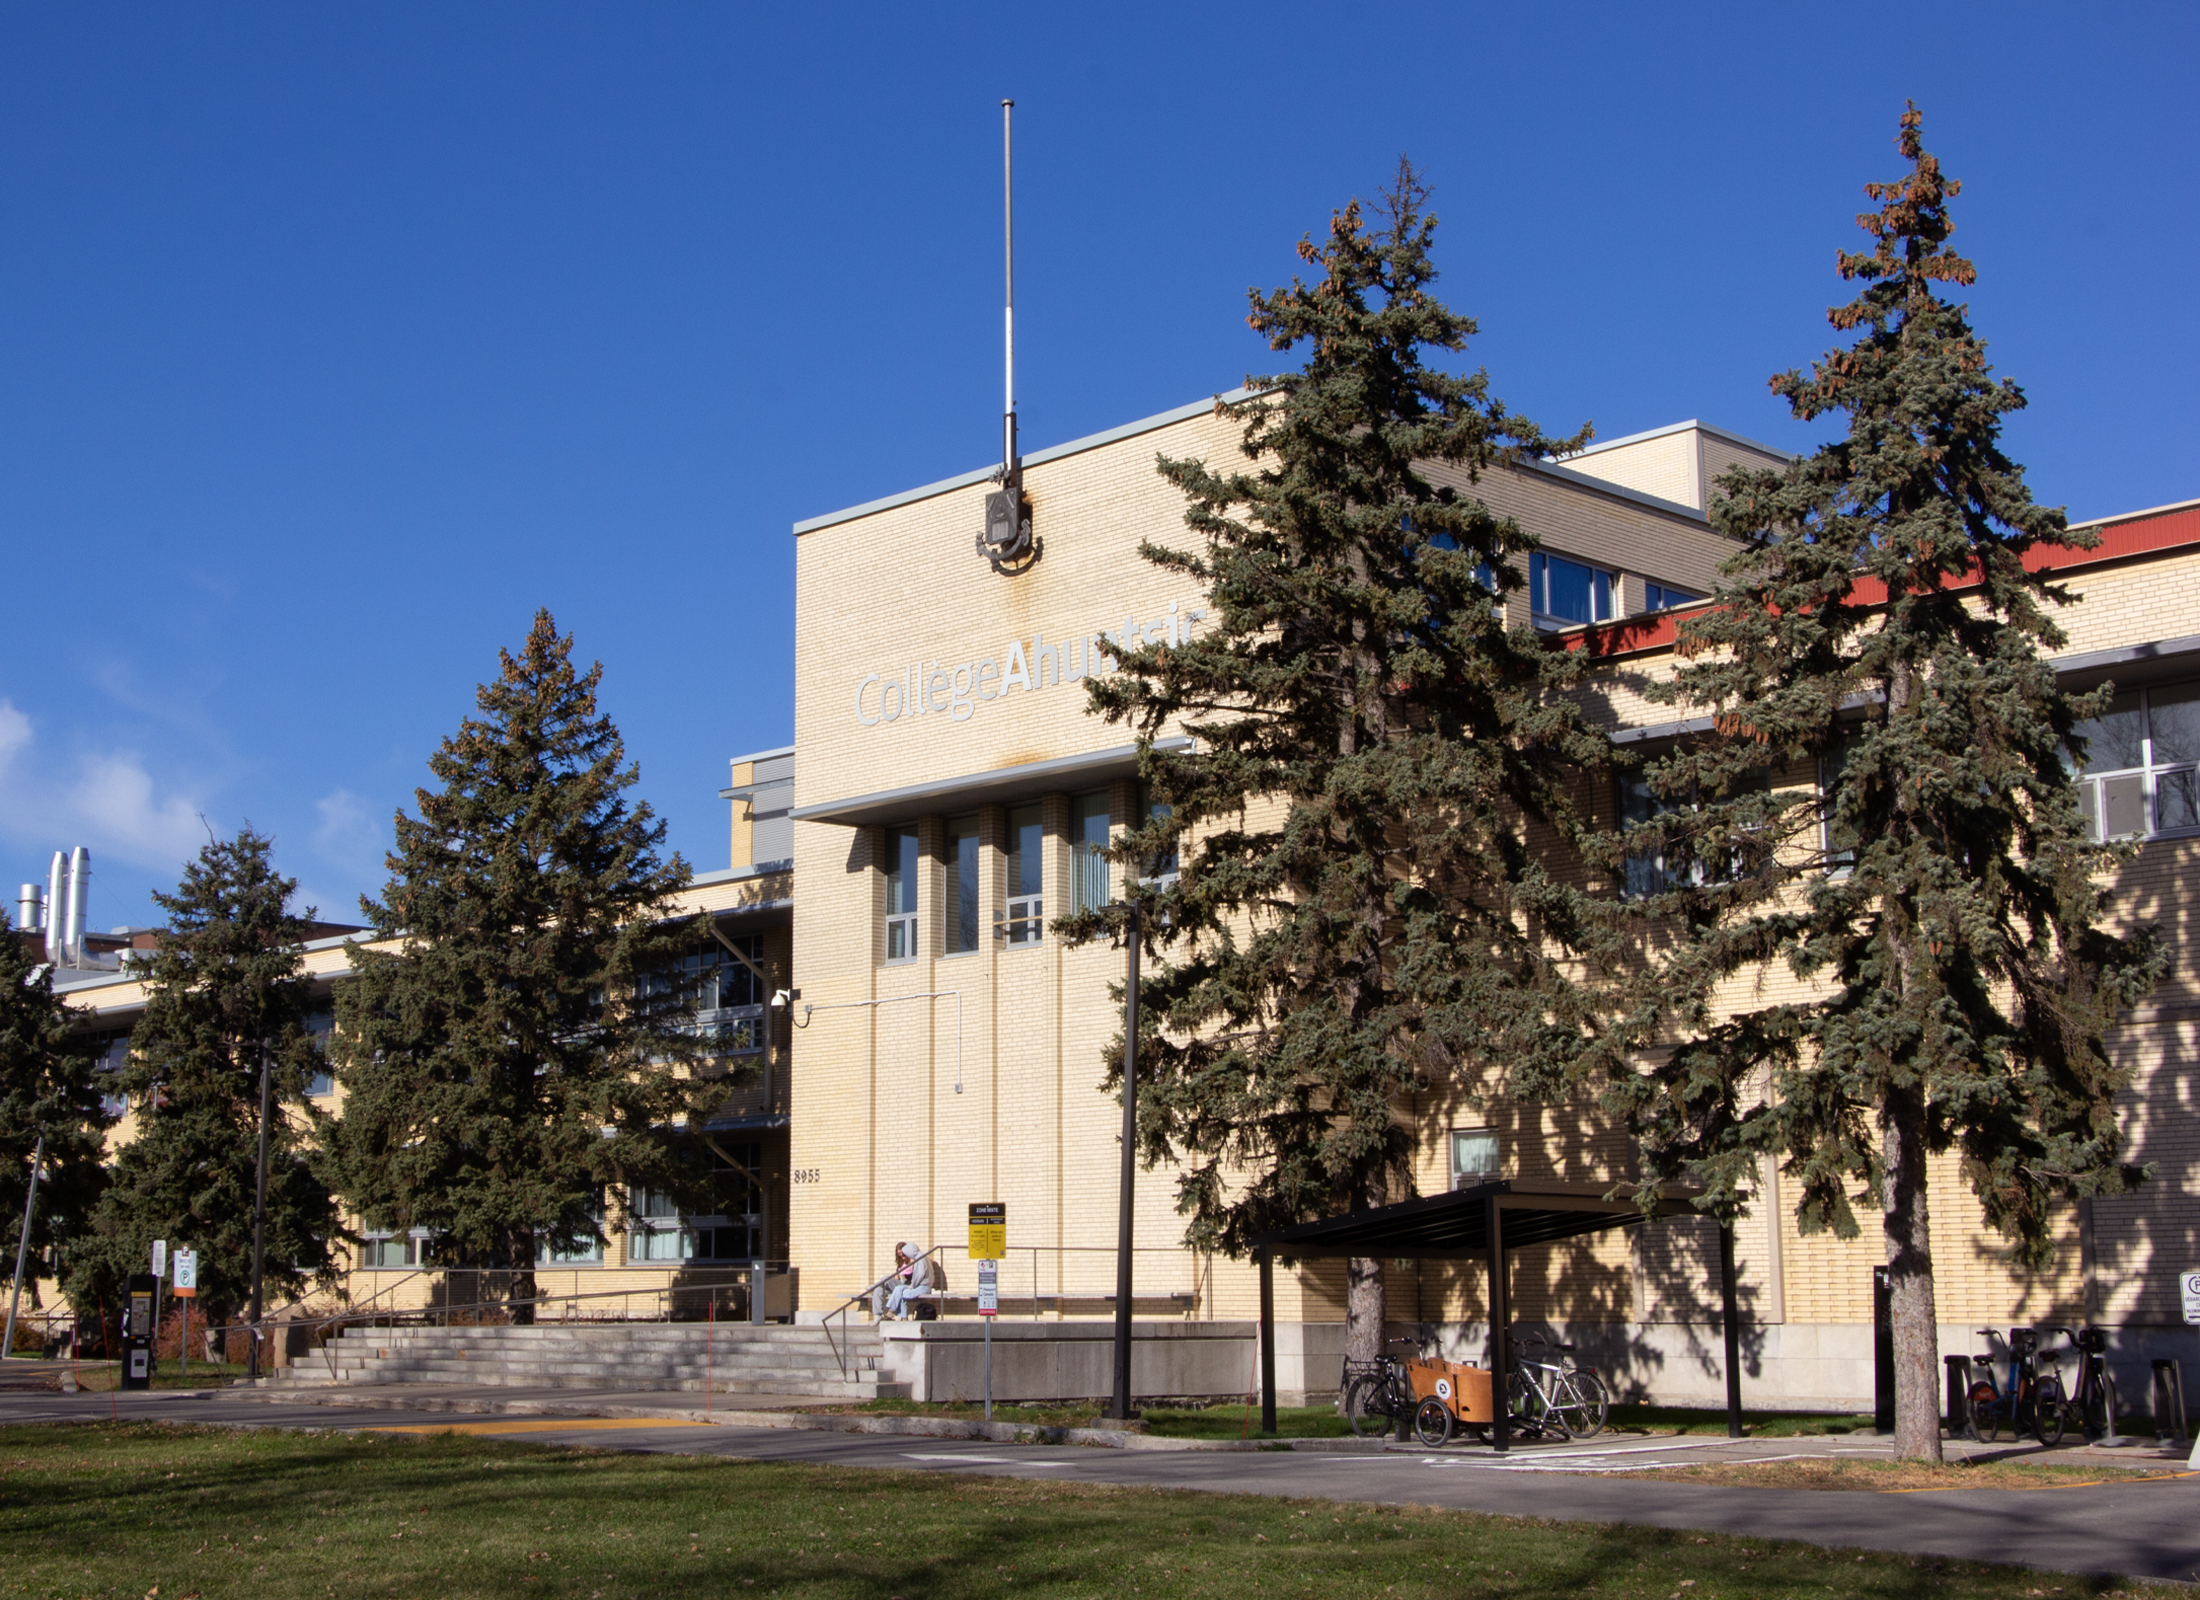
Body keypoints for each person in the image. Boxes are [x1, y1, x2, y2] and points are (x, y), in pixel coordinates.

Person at [887, 1244, 935, 1320]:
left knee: (903, 1294)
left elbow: (920, 1275)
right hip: (920, 1285)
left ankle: (901, 1315)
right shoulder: (921, 1257)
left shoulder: (920, 1259)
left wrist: (912, 1285)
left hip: (923, 1286)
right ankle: (892, 1311)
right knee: (899, 1289)